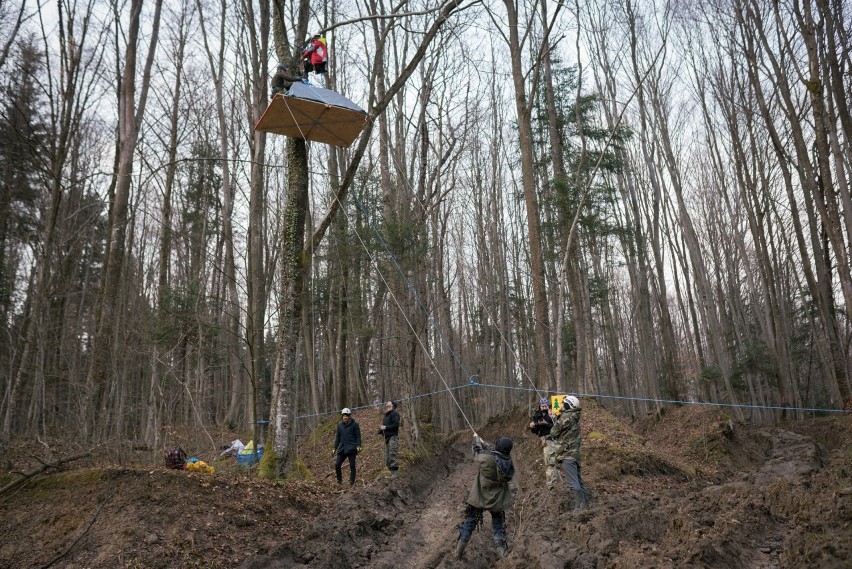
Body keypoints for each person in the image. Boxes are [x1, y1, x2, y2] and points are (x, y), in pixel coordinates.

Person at [455, 434, 514, 559]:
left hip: (480, 495)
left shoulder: (485, 458)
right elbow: (495, 453)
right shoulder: (508, 461)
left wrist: (476, 439)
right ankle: (502, 553)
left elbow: (476, 450)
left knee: (470, 522)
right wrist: (484, 442)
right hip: (498, 499)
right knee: (498, 525)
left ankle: (458, 552)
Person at [549, 395, 589, 510]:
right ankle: (585, 505)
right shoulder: (574, 416)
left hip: (567, 454)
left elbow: (554, 432)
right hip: (575, 454)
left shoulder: (566, 416)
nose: (562, 405)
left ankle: (580, 507)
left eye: (564, 403)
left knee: (573, 483)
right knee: (578, 481)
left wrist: (556, 419)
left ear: (568, 404)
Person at [529, 397, 559, 488]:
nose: (543, 407)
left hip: (551, 440)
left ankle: (551, 485)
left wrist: (545, 423)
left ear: (548, 405)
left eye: (545, 405)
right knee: (550, 462)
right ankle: (557, 483)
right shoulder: (538, 415)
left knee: (550, 463)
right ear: (539, 406)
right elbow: (536, 430)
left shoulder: (552, 414)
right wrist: (533, 427)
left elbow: (556, 428)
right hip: (544, 441)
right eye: (542, 405)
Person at [333, 407, 362, 486]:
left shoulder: (355, 424)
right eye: (344, 416)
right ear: (342, 416)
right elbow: (338, 438)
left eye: (347, 415)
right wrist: (334, 448)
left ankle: (351, 483)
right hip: (342, 448)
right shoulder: (339, 426)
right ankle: (340, 482)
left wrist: (359, 445)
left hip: (352, 447)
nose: (345, 417)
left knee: (352, 466)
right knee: (337, 465)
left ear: (349, 416)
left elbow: (358, 436)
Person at [379, 400, 400, 478]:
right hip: (386, 438)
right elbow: (385, 427)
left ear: (393, 406)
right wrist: (381, 430)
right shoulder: (386, 416)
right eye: (387, 405)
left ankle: (395, 473)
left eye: (389, 405)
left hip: (393, 437)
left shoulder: (395, 413)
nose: (387, 406)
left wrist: (386, 427)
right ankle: (391, 473)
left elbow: (396, 424)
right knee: (386, 458)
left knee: (392, 454)